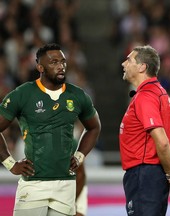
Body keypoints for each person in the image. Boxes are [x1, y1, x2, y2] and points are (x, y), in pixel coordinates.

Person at [0, 43, 101, 216]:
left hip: (66, 184)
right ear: (40, 67)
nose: (61, 66)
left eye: (63, 61)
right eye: (54, 62)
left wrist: (79, 155)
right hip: (33, 184)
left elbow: (94, 127)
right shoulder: (23, 94)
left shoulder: (77, 95)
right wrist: (10, 164)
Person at [119, 45, 170, 216]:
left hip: (144, 175)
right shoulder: (161, 94)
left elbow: (162, 141)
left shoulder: (146, 96)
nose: (124, 63)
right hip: (152, 175)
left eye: (129, 60)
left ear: (142, 67)